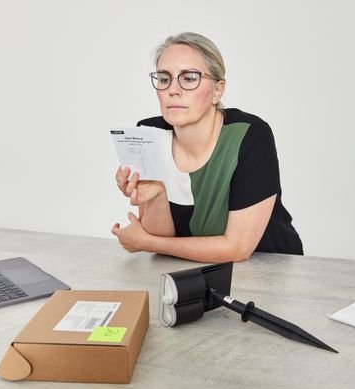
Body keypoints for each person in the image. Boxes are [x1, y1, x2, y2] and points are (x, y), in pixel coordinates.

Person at [111, 32, 303, 263]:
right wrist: (156, 195)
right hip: (195, 274)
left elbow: (237, 248)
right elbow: (162, 241)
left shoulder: (250, 135)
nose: (173, 89)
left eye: (189, 78)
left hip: (271, 271)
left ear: (217, 90)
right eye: (164, 79)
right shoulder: (149, 134)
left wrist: (146, 242)